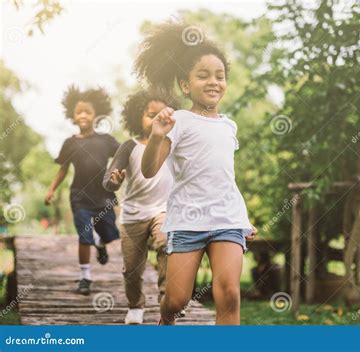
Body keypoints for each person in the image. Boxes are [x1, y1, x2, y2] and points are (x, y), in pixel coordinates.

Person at [136, 22, 257, 325]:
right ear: (186, 85)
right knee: (177, 300)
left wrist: (242, 218)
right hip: (188, 219)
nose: (213, 81)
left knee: (229, 294)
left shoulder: (230, 126)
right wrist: (156, 136)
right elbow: (149, 170)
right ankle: (166, 320)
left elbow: (224, 177)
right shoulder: (179, 120)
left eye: (220, 76)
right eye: (203, 76)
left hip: (226, 219)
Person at [102, 89, 179, 324]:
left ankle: (169, 300)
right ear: (138, 117)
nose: (156, 119)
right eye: (150, 114)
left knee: (167, 243)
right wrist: (114, 180)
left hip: (163, 210)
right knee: (132, 268)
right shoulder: (129, 145)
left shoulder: (174, 145)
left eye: (161, 114)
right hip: (133, 213)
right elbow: (108, 179)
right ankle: (135, 305)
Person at [45, 85, 120, 295]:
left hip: (104, 196)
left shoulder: (105, 140)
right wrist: (51, 189)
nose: (84, 115)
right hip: (79, 197)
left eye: (88, 111)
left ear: (96, 114)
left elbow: (124, 154)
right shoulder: (70, 143)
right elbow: (63, 170)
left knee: (112, 234)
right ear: (73, 116)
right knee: (84, 236)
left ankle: (101, 242)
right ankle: (85, 278)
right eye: (79, 112)